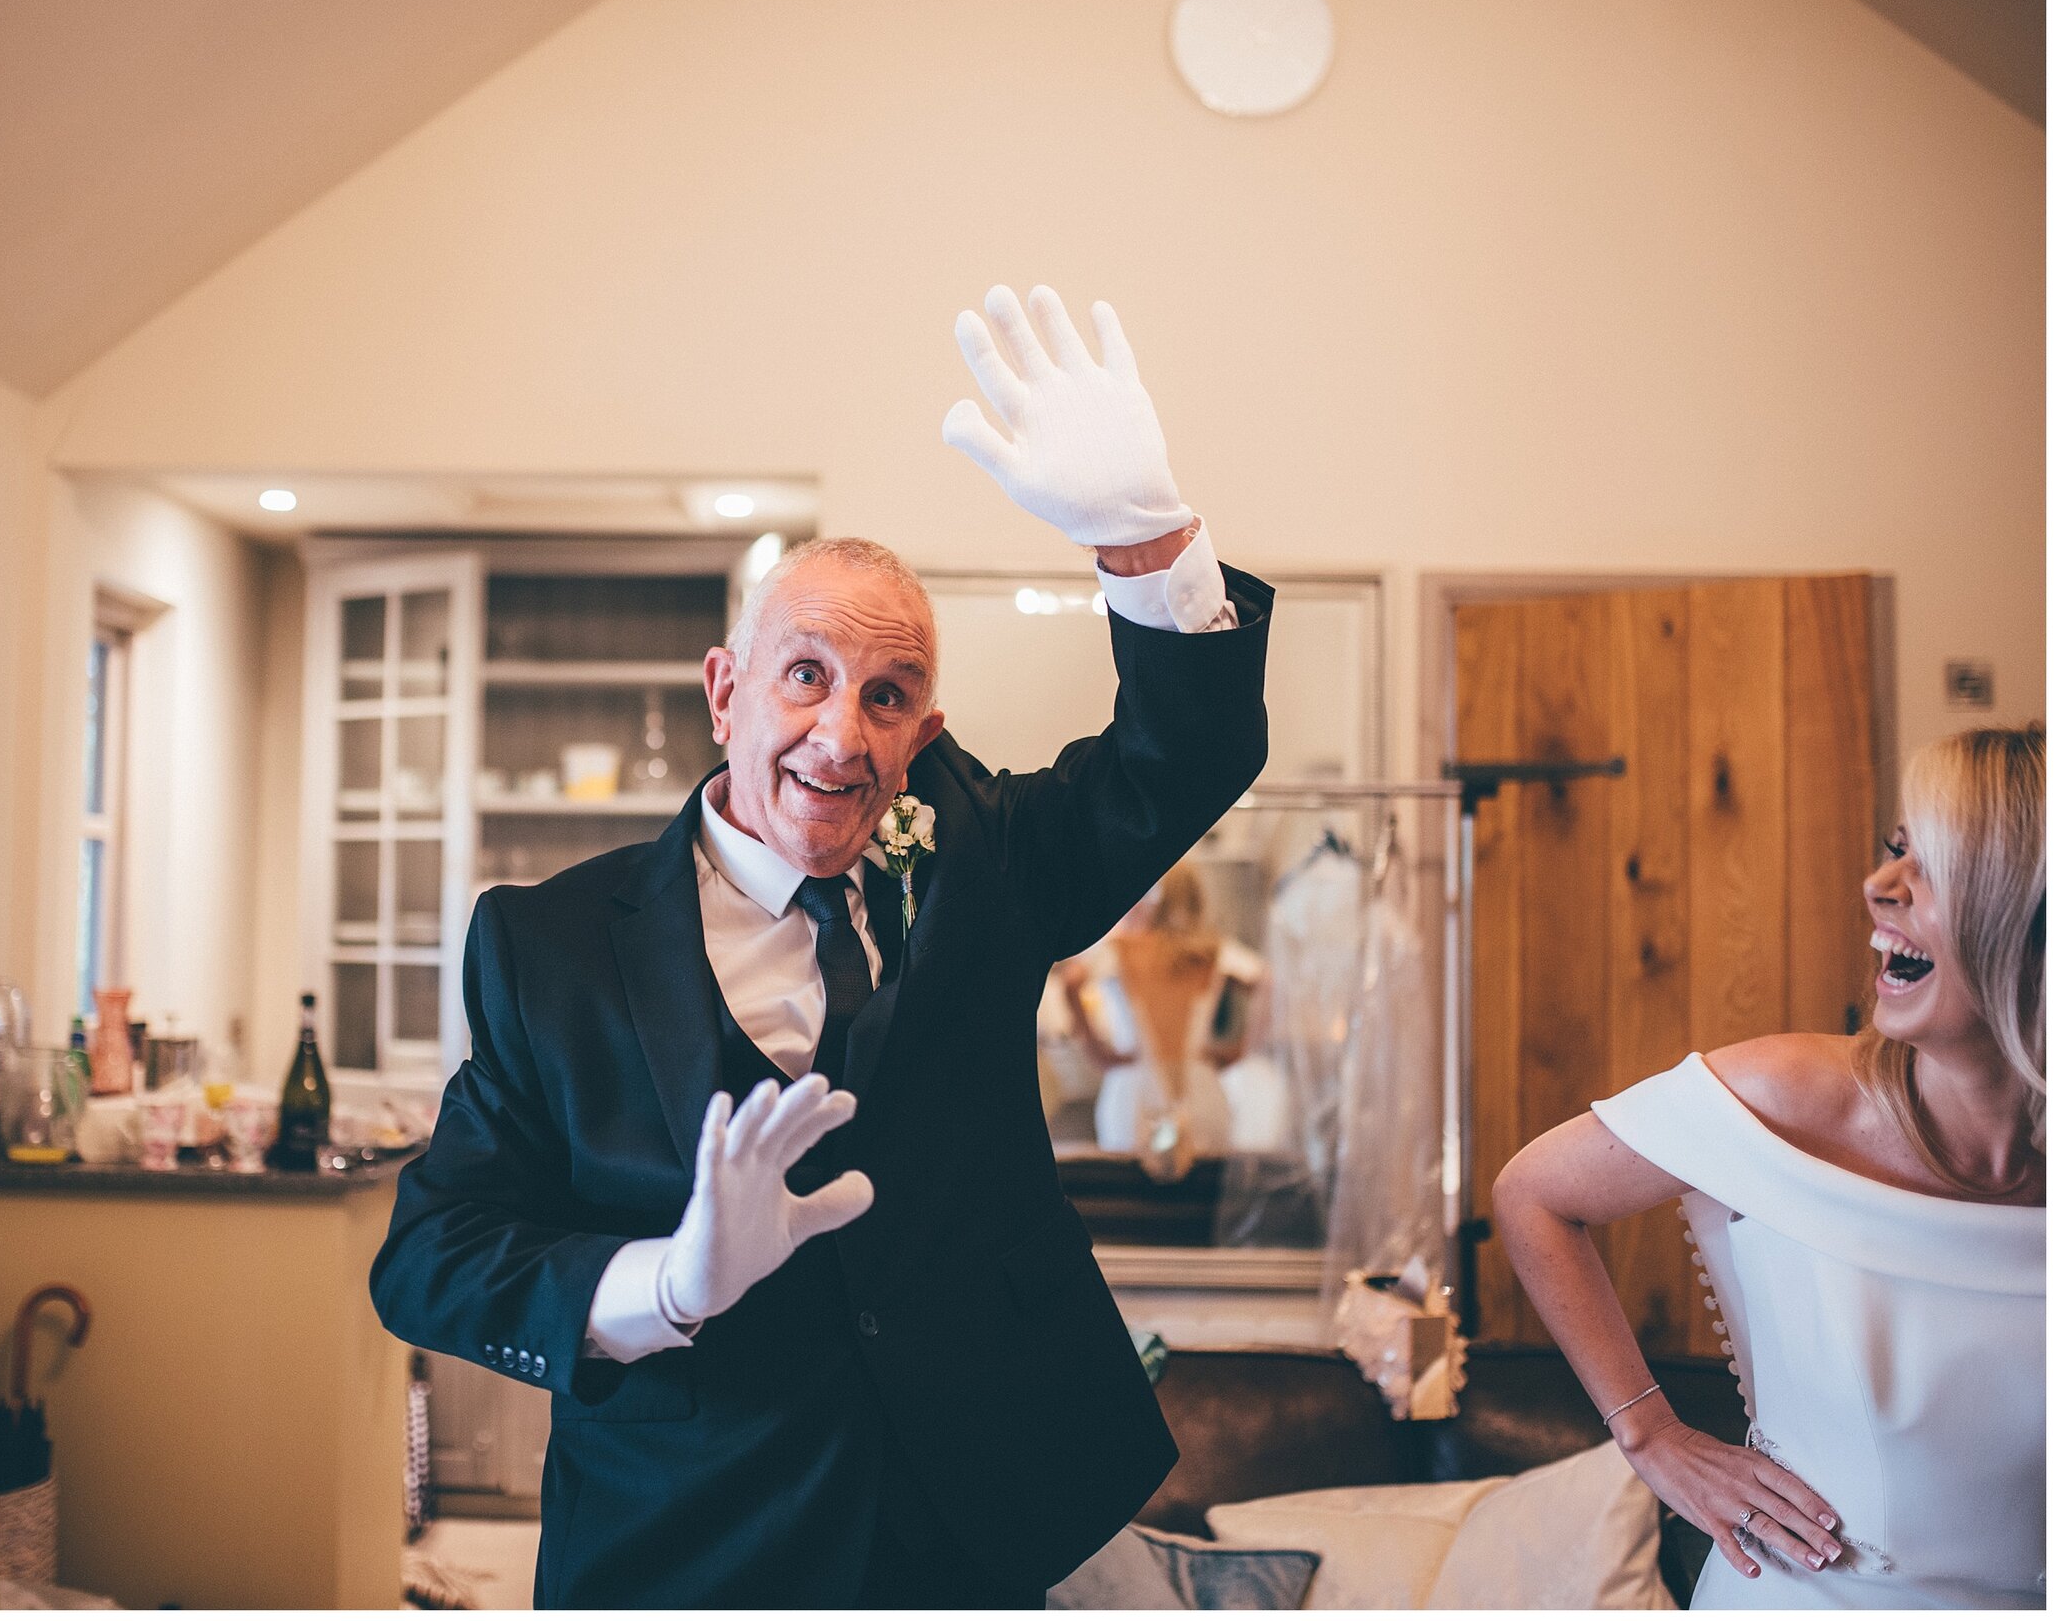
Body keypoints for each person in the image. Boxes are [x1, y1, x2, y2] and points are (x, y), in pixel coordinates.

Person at [369, 285, 1272, 1606]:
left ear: (923, 729)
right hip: (694, 1542)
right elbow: (430, 1260)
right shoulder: (544, 945)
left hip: (992, 1519)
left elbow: (1175, 760)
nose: (842, 735)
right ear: (726, 691)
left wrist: (1149, 543)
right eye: (805, 676)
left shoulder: (985, 853)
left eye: (887, 697)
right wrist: (669, 1284)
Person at [1495, 724, 2045, 1608]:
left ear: (2031, 916)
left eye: (1934, 865)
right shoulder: (1785, 1094)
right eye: (1895, 850)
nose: (1878, 887)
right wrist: (1650, 1436)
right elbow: (1532, 1194)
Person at [1053, 864, 1252, 1167]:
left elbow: (1070, 981)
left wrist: (1095, 1049)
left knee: (1130, 1200)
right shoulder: (1213, 951)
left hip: (1132, 1091)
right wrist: (1241, 1049)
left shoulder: (1118, 949)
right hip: (1202, 1092)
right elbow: (1268, 983)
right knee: (1199, 1201)